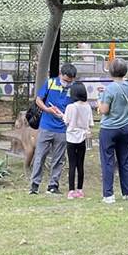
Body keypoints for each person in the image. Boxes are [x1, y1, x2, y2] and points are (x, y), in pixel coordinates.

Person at [29, 63, 77, 195]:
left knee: (59, 158)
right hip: (46, 126)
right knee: (40, 156)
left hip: (62, 128)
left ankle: (53, 185)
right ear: (60, 75)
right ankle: (34, 185)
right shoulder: (50, 83)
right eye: (65, 80)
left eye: (69, 81)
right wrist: (47, 109)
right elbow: (38, 99)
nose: (66, 83)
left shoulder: (74, 89)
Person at [97, 58, 128, 204]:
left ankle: (108, 195)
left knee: (108, 161)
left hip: (109, 129)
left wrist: (99, 100)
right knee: (126, 160)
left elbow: (104, 110)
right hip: (125, 127)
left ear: (111, 71)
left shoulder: (110, 88)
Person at [63, 82, 93, 199]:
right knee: (80, 164)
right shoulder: (88, 106)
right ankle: (80, 190)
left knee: (72, 164)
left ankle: (71, 190)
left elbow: (66, 121)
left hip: (71, 138)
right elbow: (90, 123)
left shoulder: (70, 107)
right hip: (83, 137)